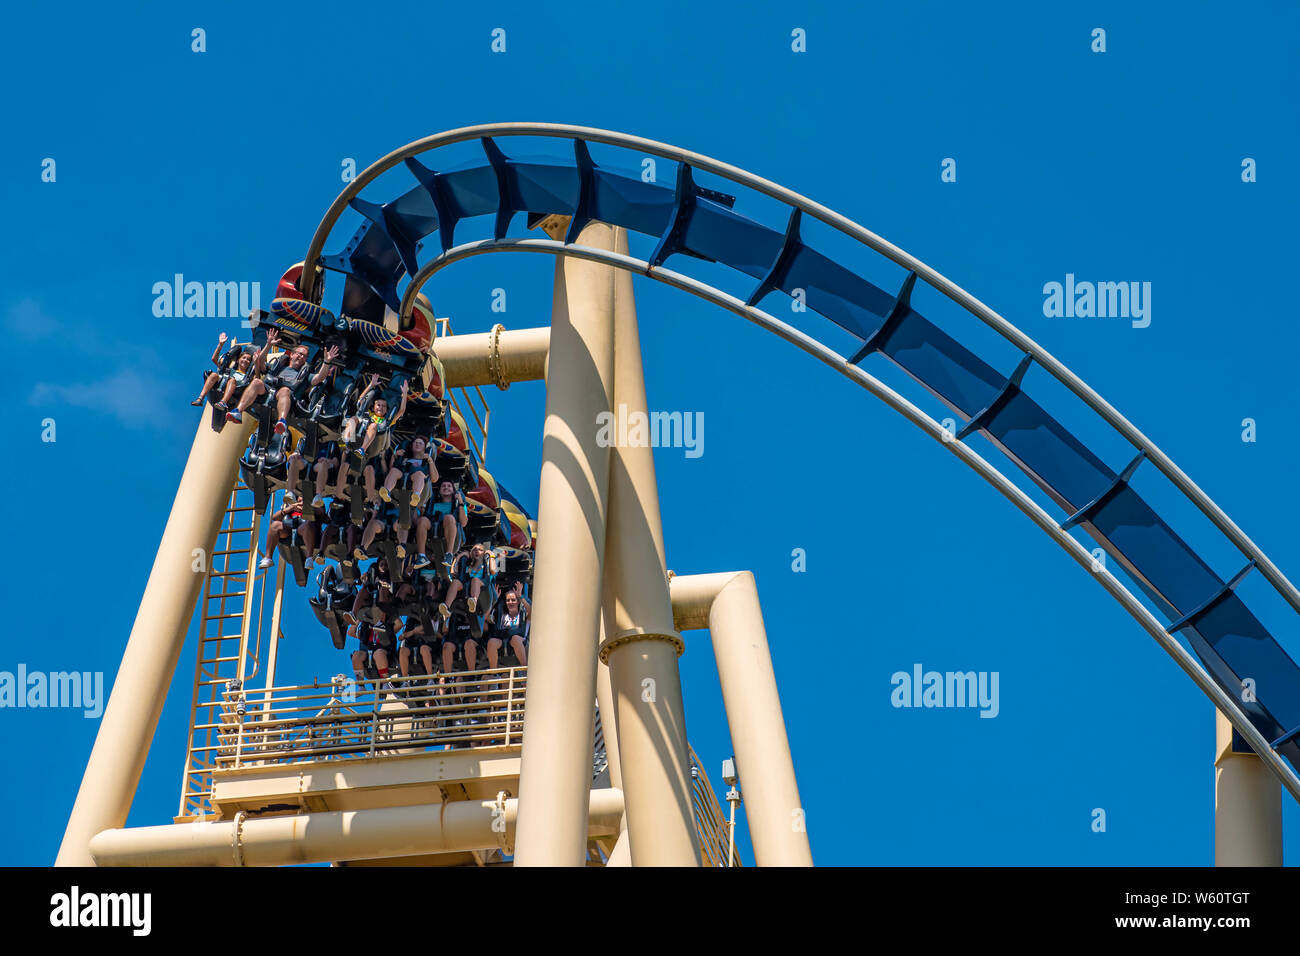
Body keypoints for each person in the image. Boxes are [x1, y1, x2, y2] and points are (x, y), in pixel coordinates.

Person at [227, 330, 334, 430]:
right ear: (292, 354)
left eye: (304, 356)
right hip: (269, 389)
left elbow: (319, 378)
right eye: (299, 353)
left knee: (284, 390)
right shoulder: (279, 365)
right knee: (256, 382)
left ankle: (281, 421)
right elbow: (261, 363)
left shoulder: (305, 374)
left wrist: (327, 362)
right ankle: (238, 411)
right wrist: (269, 344)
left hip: (286, 395)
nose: (301, 357)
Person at [259, 490, 316, 569]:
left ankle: (309, 558)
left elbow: (322, 517)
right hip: (288, 528)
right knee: (275, 525)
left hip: (304, 529)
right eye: (300, 498)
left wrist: (307, 509)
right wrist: (290, 508)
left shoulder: (313, 505)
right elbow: (275, 518)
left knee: (308, 526)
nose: (301, 500)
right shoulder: (290, 506)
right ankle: (268, 557)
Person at [440, 542, 497, 618]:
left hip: (483, 586)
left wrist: (491, 555)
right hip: (467, 586)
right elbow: (453, 572)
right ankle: (447, 607)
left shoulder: (485, 565)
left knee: (475, 580)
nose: (477, 551)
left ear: (484, 553)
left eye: (480, 550)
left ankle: (474, 601)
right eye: (474, 550)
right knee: (455, 582)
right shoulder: (468, 566)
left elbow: (493, 570)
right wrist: (460, 556)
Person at [381, 435, 437, 510]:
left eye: (420, 443)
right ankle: (386, 491)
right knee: (394, 470)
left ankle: (416, 496)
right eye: (415, 443)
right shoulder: (404, 458)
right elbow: (391, 471)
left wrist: (430, 460)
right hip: (402, 480)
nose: (417, 444)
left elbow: (434, 479)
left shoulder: (426, 461)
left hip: (417, 482)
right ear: (411, 446)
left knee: (419, 474)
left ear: (424, 448)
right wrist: (394, 456)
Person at [426, 480, 468, 570]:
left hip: (453, 540)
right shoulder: (433, 504)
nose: (446, 487)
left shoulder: (459, 505)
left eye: (449, 486)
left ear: (453, 490)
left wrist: (460, 502)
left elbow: (464, 523)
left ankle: (449, 554)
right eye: (443, 486)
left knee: (448, 517)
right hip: (435, 534)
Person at [486, 584, 529, 667]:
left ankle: (524, 669)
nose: (510, 603)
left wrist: (520, 596)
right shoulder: (501, 615)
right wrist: (493, 601)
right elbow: (486, 618)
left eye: (513, 600)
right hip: (504, 641)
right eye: (508, 600)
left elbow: (531, 612)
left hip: (520, 641)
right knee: (492, 642)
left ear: (518, 601)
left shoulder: (523, 613)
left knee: (515, 639)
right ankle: (494, 673)